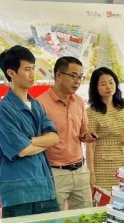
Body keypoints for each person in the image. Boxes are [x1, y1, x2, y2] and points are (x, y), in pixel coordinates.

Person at [0, 45, 59, 218]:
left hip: (45, 188)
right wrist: (38, 142)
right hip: (19, 193)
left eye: (33, 68)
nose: (32, 74)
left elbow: (54, 138)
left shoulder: (35, 104)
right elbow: (22, 150)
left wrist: (31, 140)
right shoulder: (3, 110)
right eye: (27, 69)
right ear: (11, 73)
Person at [37, 56, 97, 210]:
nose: (77, 81)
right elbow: (37, 140)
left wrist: (87, 136)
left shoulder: (79, 101)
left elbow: (82, 131)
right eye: (73, 76)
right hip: (54, 172)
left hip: (80, 170)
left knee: (84, 218)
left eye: (80, 77)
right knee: (52, 218)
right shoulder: (40, 104)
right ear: (58, 75)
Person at [86, 67, 124, 191]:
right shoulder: (91, 112)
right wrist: (91, 173)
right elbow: (90, 146)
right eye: (103, 84)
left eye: (111, 82)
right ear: (95, 88)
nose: (109, 87)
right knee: (105, 198)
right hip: (102, 165)